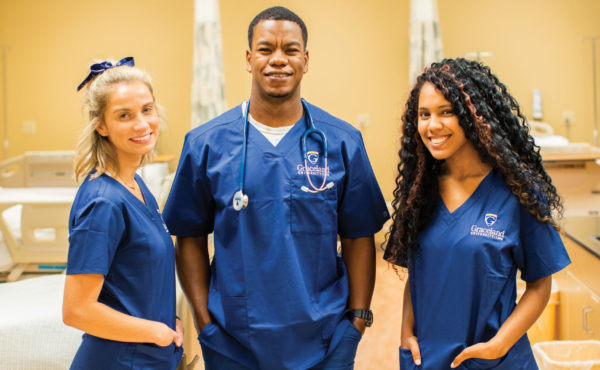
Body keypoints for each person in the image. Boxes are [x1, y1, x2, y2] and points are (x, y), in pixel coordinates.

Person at [163, 6, 389, 370]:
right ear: (249, 59)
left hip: (325, 338)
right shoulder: (206, 145)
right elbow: (188, 237)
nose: (278, 60)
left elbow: (358, 236)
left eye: (291, 49)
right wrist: (205, 325)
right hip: (232, 339)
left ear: (306, 59)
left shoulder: (341, 142)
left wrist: (356, 323)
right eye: (266, 49)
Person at [384, 58, 571, 369]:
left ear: (473, 116)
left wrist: (499, 345)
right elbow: (419, 277)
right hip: (428, 358)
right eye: (424, 114)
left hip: (495, 360)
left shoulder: (515, 193)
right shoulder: (420, 194)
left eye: (447, 112)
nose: (433, 125)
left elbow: (540, 284)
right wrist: (406, 332)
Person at [63, 57, 183, 369]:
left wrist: (169, 321)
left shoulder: (137, 186)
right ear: (101, 124)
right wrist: (156, 331)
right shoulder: (103, 202)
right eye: (124, 115)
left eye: (147, 109)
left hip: (147, 357)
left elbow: (137, 281)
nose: (142, 124)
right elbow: (77, 310)